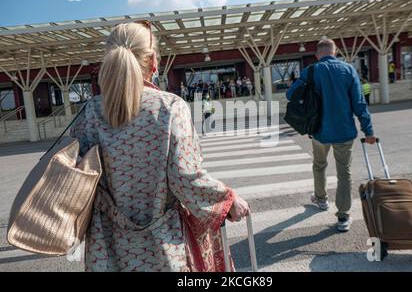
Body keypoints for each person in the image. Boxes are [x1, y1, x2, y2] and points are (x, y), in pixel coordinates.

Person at [70, 22, 249, 272]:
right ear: (153, 61)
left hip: (107, 249)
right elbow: (185, 177)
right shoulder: (170, 107)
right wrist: (227, 200)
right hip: (163, 248)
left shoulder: (88, 113)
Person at [286, 39, 376, 233]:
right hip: (345, 132)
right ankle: (343, 216)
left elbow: (291, 94)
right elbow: (360, 104)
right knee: (344, 172)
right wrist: (368, 131)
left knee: (319, 165)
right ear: (335, 53)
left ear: (318, 55)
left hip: (319, 131)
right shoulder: (348, 70)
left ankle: (321, 199)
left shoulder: (311, 71)